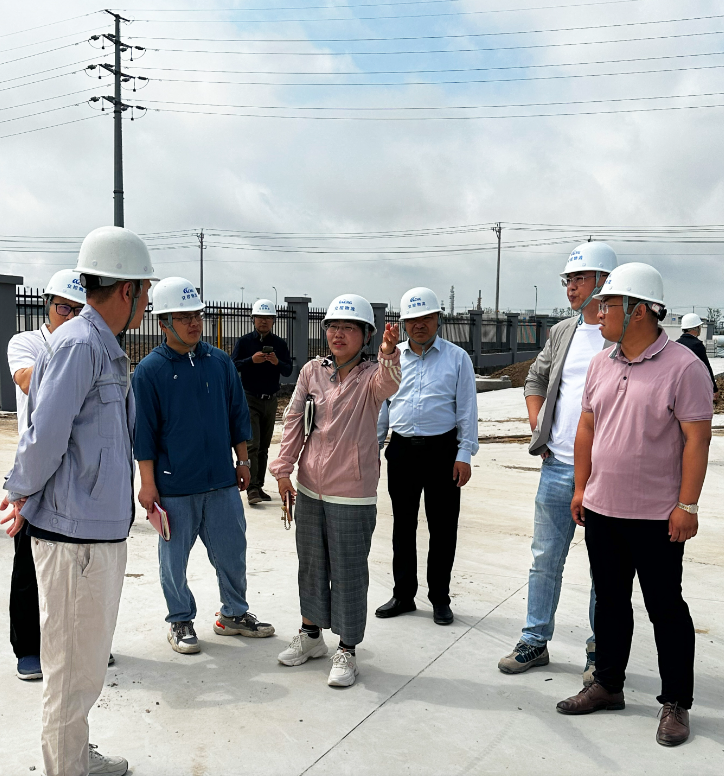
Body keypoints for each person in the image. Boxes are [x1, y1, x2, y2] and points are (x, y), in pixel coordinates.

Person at [1, 225, 157, 776]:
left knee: (84, 667)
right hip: (73, 541)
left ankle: (74, 755)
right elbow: (43, 436)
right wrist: (18, 491)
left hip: (97, 532)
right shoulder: (79, 345)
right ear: (126, 291)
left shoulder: (103, 348)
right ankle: (67, 767)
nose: (147, 302)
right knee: (70, 673)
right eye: (145, 290)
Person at [556, 263, 713, 748]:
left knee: (666, 608)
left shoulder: (684, 367)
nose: (598, 311)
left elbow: (697, 439)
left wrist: (687, 505)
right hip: (603, 509)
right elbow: (587, 427)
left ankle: (676, 702)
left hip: (657, 516)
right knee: (609, 602)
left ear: (639, 310)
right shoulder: (602, 363)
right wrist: (581, 488)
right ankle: (608, 684)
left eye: (608, 304)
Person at [133, 277, 274, 656]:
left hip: (222, 482)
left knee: (233, 552)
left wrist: (243, 460)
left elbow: (237, 414)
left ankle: (233, 614)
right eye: (184, 317)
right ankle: (180, 619)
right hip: (175, 486)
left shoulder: (220, 362)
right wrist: (147, 484)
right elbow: (144, 434)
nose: (194, 323)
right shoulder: (149, 371)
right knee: (173, 561)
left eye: (197, 315)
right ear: (163, 322)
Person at [498, 242, 617, 682]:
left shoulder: (622, 337)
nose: (571, 287)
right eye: (568, 280)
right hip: (558, 467)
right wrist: (539, 427)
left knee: (604, 568)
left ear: (605, 282)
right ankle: (534, 640)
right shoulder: (564, 331)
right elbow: (535, 378)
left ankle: (600, 649)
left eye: (579, 279)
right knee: (545, 558)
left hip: (607, 473)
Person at [270, 294, 400, 687]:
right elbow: (294, 419)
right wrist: (283, 470)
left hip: (352, 492)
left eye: (348, 328)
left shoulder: (372, 376)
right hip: (310, 488)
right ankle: (311, 635)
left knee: (348, 572)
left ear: (366, 335)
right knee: (311, 565)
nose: (338, 334)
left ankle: (347, 648)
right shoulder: (312, 371)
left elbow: (390, 384)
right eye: (332, 327)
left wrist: (389, 354)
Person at [375, 287, 478, 626]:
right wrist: (373, 448)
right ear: (403, 323)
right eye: (412, 319)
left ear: (438, 319)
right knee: (403, 526)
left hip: (442, 452)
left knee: (443, 528)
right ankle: (403, 594)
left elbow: (467, 409)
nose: (419, 325)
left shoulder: (457, 358)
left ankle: (440, 598)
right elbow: (383, 406)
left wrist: (464, 453)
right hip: (402, 450)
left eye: (426, 318)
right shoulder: (393, 358)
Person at [4, 269, 86, 682]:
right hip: (37, 467)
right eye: (63, 308)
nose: (69, 316)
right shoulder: (26, 342)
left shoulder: (92, 345)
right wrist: (70, 361)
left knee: (81, 562)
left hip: (80, 467)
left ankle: (82, 644)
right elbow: (25, 380)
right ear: (47, 306)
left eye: (78, 310)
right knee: (29, 563)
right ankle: (28, 649)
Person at [231, 299, 292, 505]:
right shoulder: (245, 342)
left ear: (273, 320)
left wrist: (276, 362)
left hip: (271, 399)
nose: (263, 321)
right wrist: (251, 360)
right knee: (252, 444)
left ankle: (259, 485)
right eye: (260, 317)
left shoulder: (280, 344)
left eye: (268, 318)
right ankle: (252, 489)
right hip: (250, 399)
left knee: (264, 446)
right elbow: (232, 365)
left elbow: (288, 370)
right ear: (253, 319)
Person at [677, 313, 718, 400]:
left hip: (678, 386)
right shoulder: (697, 345)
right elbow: (706, 367)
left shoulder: (676, 344)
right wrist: (714, 388)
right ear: (696, 328)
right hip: (693, 386)